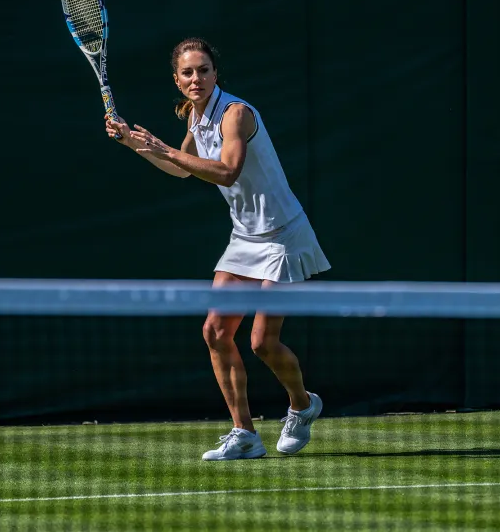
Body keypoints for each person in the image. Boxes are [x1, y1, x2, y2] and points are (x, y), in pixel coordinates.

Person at [105, 37, 331, 461]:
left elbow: (227, 172)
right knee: (215, 331)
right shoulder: (195, 115)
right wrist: (132, 143)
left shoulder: (235, 114)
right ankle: (244, 434)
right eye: (188, 73)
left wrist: (164, 147)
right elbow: (180, 169)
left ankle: (302, 404)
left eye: (203, 70)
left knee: (263, 342)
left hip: (282, 234)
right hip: (244, 237)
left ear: (215, 73)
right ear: (177, 79)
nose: (196, 79)